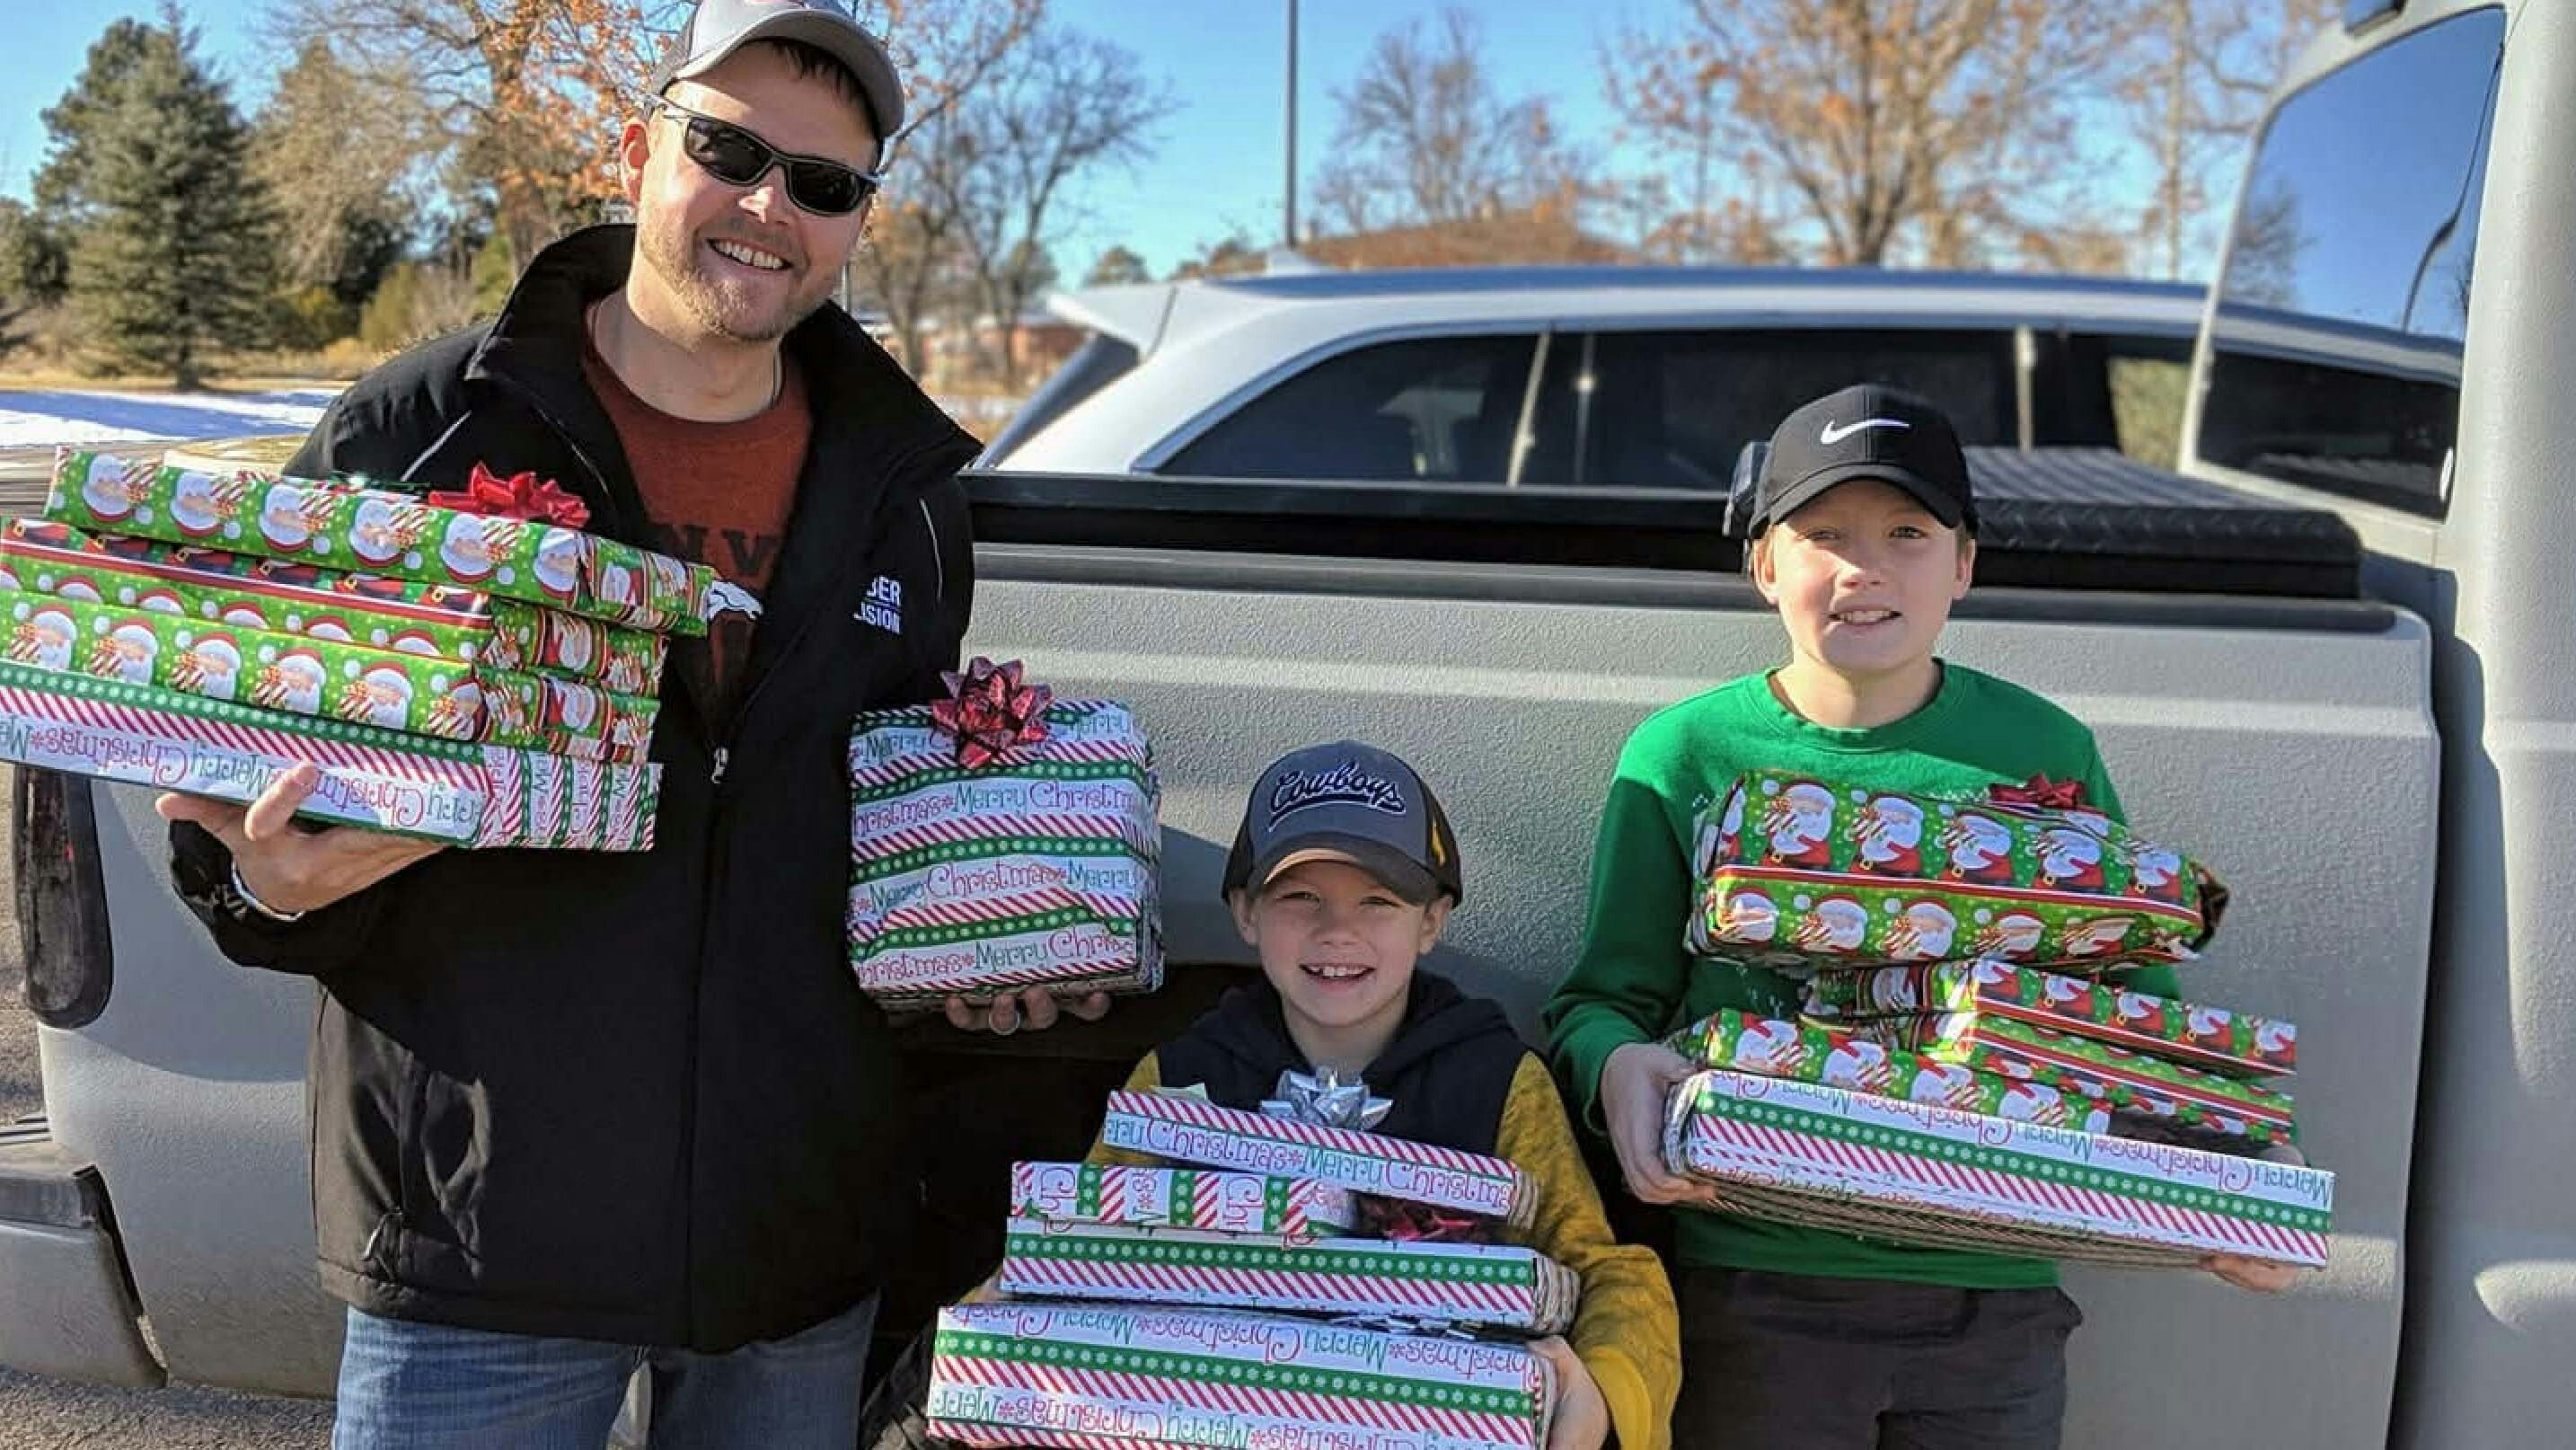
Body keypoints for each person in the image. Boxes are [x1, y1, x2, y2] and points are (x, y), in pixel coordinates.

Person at [157, 4, 1091, 1445]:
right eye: (729, 150)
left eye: (825, 183)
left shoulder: (905, 486)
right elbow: (228, 788)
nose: (770, 207)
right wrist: (259, 884)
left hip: (793, 1250)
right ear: (637, 144)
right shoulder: (420, 436)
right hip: (481, 1242)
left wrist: (980, 948)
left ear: (858, 221)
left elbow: (886, 832)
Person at [1542, 384, 2297, 1450]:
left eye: (1907, 532)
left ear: (1965, 565)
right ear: (1764, 564)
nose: (1865, 566)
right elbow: (1599, 1000)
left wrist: (2215, 1169)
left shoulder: (2045, 752)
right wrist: (1615, 1066)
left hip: (1997, 1285)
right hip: (1756, 1286)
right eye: (1823, 534)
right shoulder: (1682, 759)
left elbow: (2127, 1004)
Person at [1072, 742, 1681, 1450]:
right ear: (1244, 911)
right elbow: (1070, 1247)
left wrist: (1599, 1394)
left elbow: (1600, 1268)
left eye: (1379, 901)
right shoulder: (1180, 1080)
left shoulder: (1494, 1081)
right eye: (1300, 897)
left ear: (1432, 921)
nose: (1338, 931)